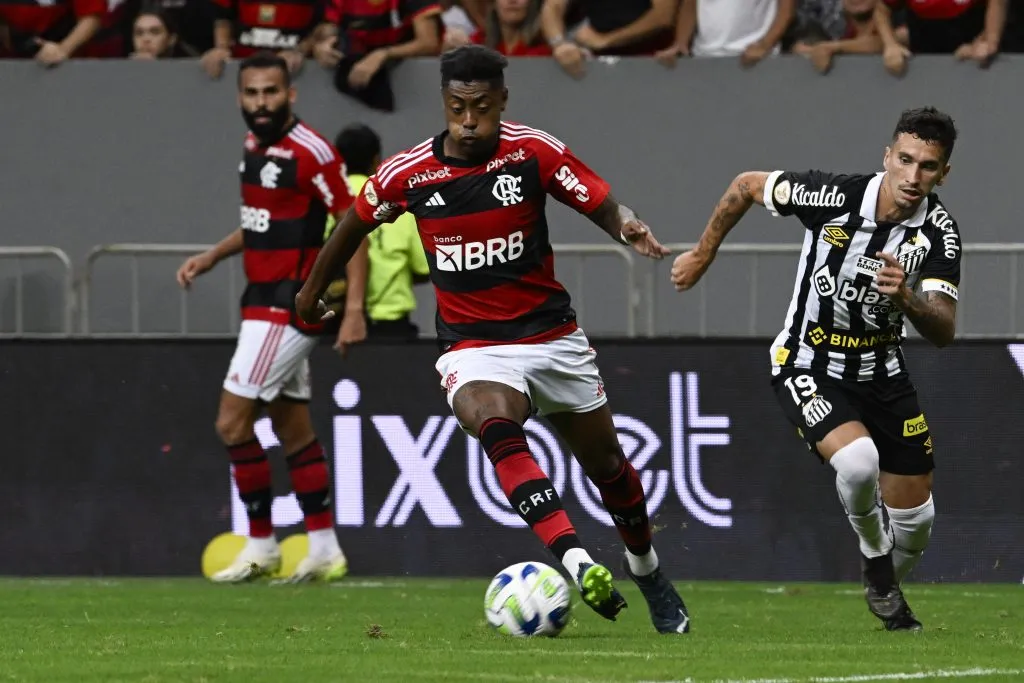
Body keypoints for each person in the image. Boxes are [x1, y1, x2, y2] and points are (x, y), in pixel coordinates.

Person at [296, 44, 690, 634]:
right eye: (458, 107)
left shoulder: (533, 151)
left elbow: (599, 201)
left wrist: (626, 224)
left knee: (609, 467)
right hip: (473, 345)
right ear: (445, 103)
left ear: (502, 100)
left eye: (482, 106)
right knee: (493, 422)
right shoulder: (408, 174)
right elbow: (352, 223)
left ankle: (647, 569)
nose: (470, 120)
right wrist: (311, 292)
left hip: (551, 336)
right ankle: (577, 561)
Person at [671, 107, 961, 631]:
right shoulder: (834, 196)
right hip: (807, 361)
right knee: (857, 464)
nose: (913, 177)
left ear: (944, 173)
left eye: (929, 167)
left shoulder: (939, 234)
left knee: (917, 527)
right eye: (906, 160)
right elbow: (746, 186)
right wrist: (702, 254)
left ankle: (883, 585)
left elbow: (944, 330)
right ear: (887, 157)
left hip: (885, 375)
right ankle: (874, 558)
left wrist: (910, 300)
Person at [176, 50, 369, 583]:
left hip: (287, 307)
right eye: (251, 93)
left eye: (270, 92)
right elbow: (263, 224)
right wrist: (214, 255)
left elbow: (353, 230)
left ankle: (261, 544)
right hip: (261, 298)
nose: (260, 103)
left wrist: (354, 310)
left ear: (291, 94)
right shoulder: (251, 146)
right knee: (293, 429)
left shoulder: (313, 153)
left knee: (232, 422)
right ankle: (325, 547)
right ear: (241, 97)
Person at [326, 123, 431, 342]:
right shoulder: (397, 205)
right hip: (391, 331)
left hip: (335, 326)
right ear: (376, 161)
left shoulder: (328, 204)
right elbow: (423, 268)